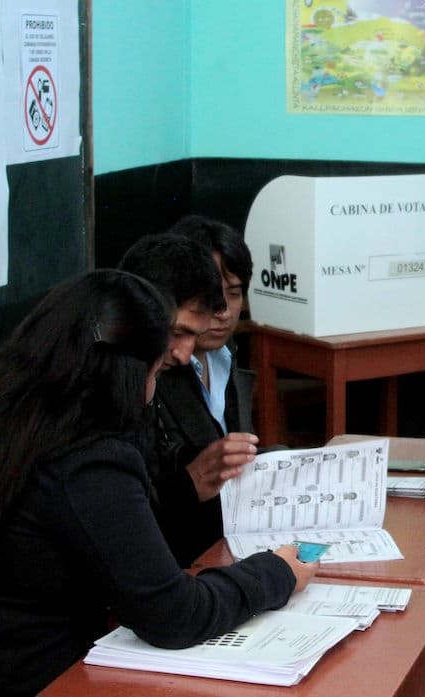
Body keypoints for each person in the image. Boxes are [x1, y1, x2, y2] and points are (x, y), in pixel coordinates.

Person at [0, 270, 316, 697]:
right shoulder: (90, 462)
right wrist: (275, 573)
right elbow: (175, 614)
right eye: (155, 374)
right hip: (41, 677)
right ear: (129, 376)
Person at [151, 215, 264, 566]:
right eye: (213, 294)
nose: (224, 311)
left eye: (234, 293)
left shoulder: (227, 356)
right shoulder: (154, 371)